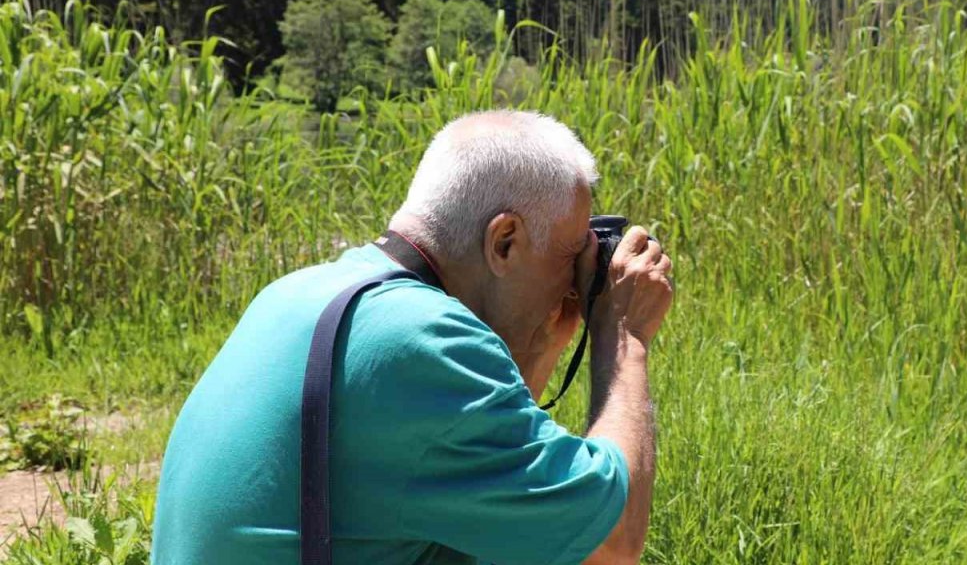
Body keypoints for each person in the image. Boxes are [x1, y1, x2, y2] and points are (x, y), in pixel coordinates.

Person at [152, 110, 673, 564]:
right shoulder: (423, 343)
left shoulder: (303, 292)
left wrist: (537, 349)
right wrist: (624, 337)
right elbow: (608, 542)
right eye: (568, 257)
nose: (572, 284)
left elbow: (512, 515)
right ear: (505, 242)